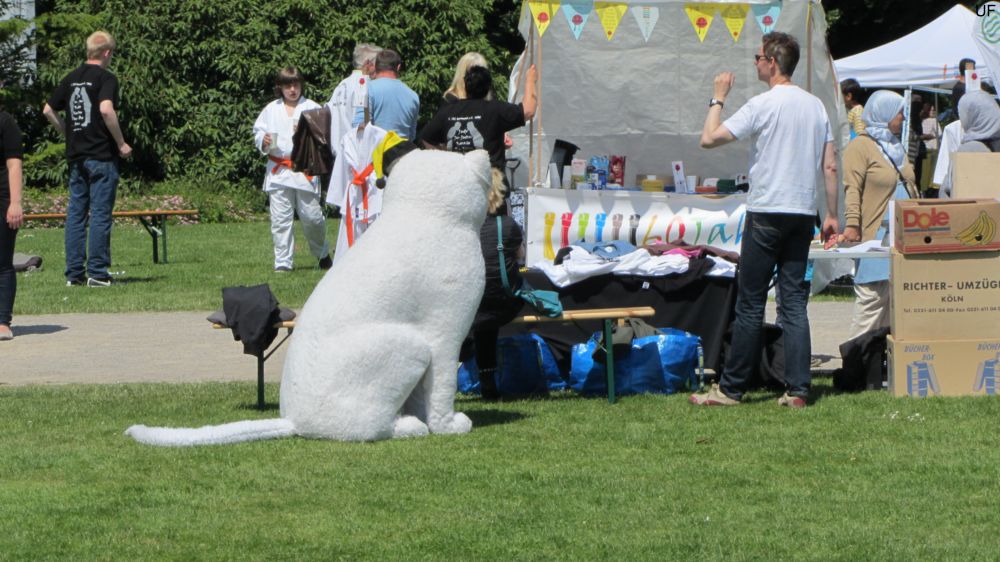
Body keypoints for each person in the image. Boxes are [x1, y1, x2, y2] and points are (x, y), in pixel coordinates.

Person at [689, 32, 839, 408]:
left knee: (751, 302)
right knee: (793, 302)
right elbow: (831, 165)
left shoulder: (762, 104)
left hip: (768, 210)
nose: (755, 62)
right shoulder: (816, 106)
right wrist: (833, 213)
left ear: (772, 62)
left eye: (758, 57)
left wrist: (718, 97)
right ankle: (799, 389)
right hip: (803, 213)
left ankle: (731, 388)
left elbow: (709, 138)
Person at [42, 30, 132, 288]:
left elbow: (48, 110)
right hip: (102, 155)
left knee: (76, 214)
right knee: (101, 214)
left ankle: (74, 274)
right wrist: (121, 143)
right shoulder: (106, 78)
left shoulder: (71, 78)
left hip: (77, 156)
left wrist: (68, 132)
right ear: (106, 53)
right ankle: (98, 272)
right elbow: (106, 109)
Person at [838, 90, 916, 339]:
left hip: (904, 239)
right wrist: (852, 224)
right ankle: (854, 365)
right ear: (884, 113)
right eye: (899, 112)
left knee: (895, 310)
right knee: (871, 304)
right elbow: (852, 189)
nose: (903, 118)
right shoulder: (859, 146)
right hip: (876, 237)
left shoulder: (895, 146)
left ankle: (880, 366)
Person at [253, 67, 332, 272]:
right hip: (279, 169)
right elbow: (258, 131)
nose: (292, 89)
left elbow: (324, 138)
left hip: (305, 169)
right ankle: (283, 262)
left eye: (296, 84)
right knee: (281, 219)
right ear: (280, 87)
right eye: (288, 85)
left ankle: (322, 253)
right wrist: (264, 140)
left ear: (301, 85)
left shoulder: (312, 107)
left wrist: (309, 133)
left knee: (312, 217)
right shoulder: (271, 109)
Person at [463, 169, 526, 400]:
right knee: (490, 310)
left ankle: (483, 374)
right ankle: (489, 380)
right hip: (503, 302)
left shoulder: (464, 226)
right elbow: (520, 256)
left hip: (472, 303)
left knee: (481, 315)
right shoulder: (508, 225)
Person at [419, 64, 537, 173]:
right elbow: (528, 110)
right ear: (488, 87)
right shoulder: (495, 109)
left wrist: (445, 156)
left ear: (465, 85)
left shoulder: (447, 111)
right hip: (490, 185)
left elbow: (426, 138)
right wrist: (530, 80)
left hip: (459, 181)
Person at [326, 43, 381, 161]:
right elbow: (361, 121)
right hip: (356, 156)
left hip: (338, 154)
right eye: (379, 64)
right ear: (368, 64)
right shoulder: (363, 84)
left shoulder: (341, 85)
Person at [359, 49, 419, 141]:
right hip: (403, 152)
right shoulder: (413, 96)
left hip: (375, 152)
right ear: (398, 67)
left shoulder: (366, 89)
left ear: (375, 66)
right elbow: (411, 136)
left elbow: (360, 127)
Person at [0, 110, 23, 341]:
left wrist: (15, 203)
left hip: (2, 200)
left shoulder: (6, 121)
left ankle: (2, 321)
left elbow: (14, 166)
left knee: (2, 263)